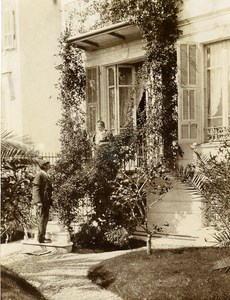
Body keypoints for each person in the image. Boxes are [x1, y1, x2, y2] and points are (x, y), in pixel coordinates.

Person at [32, 160, 53, 243]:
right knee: (42, 219)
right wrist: (38, 201)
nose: (50, 166)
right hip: (42, 201)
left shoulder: (45, 175)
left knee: (45, 219)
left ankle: (42, 237)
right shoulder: (39, 175)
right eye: (48, 165)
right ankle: (41, 238)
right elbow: (36, 188)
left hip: (46, 201)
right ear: (44, 166)